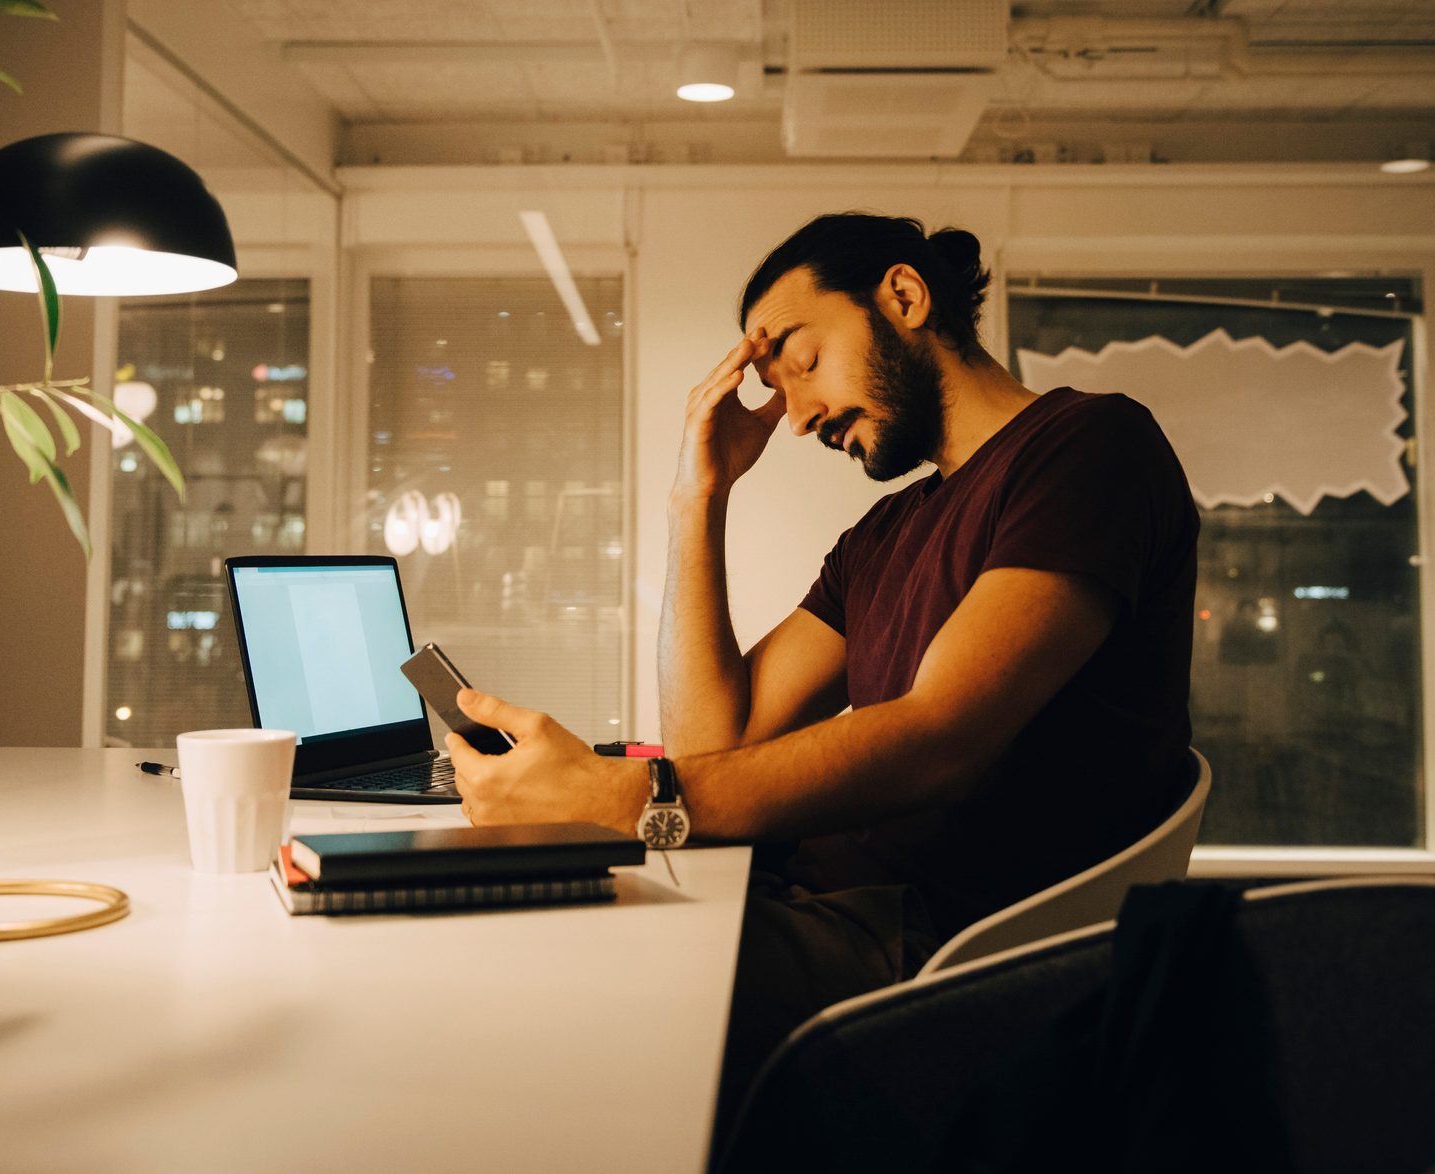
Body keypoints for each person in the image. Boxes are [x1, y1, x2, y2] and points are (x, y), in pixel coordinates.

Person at [444, 211, 1200, 1136]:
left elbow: (938, 739)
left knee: (527, 960)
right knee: (499, 922)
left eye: (799, 361)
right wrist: (700, 492)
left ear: (904, 297)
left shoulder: (1088, 447)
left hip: (940, 950)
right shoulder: (880, 538)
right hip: (827, 908)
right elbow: (712, 741)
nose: (795, 417)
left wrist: (621, 798)